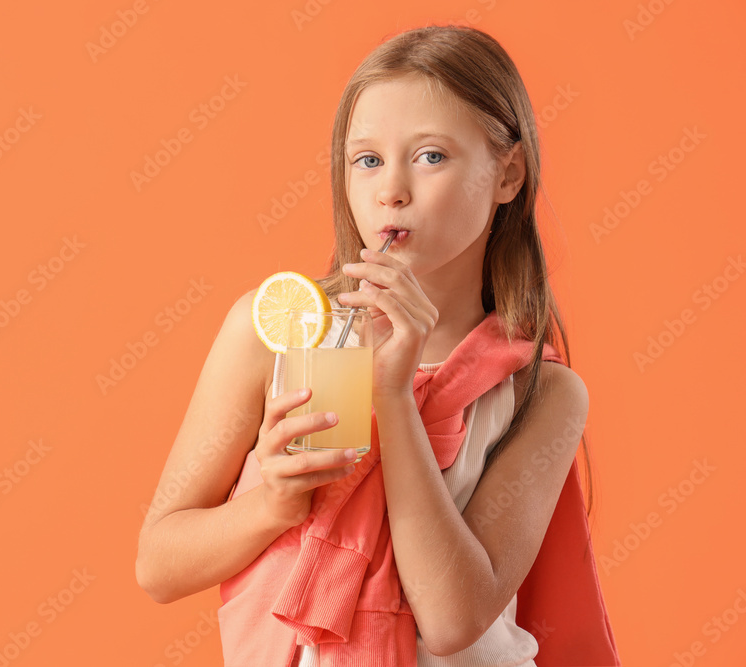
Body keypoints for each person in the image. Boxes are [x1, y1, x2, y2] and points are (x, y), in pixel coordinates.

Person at [136, 24, 620, 666]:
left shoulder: (541, 392)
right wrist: (274, 504)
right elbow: (158, 565)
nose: (391, 189)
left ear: (509, 174)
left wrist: (392, 394)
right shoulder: (278, 330)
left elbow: (453, 620)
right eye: (367, 159)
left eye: (430, 157)